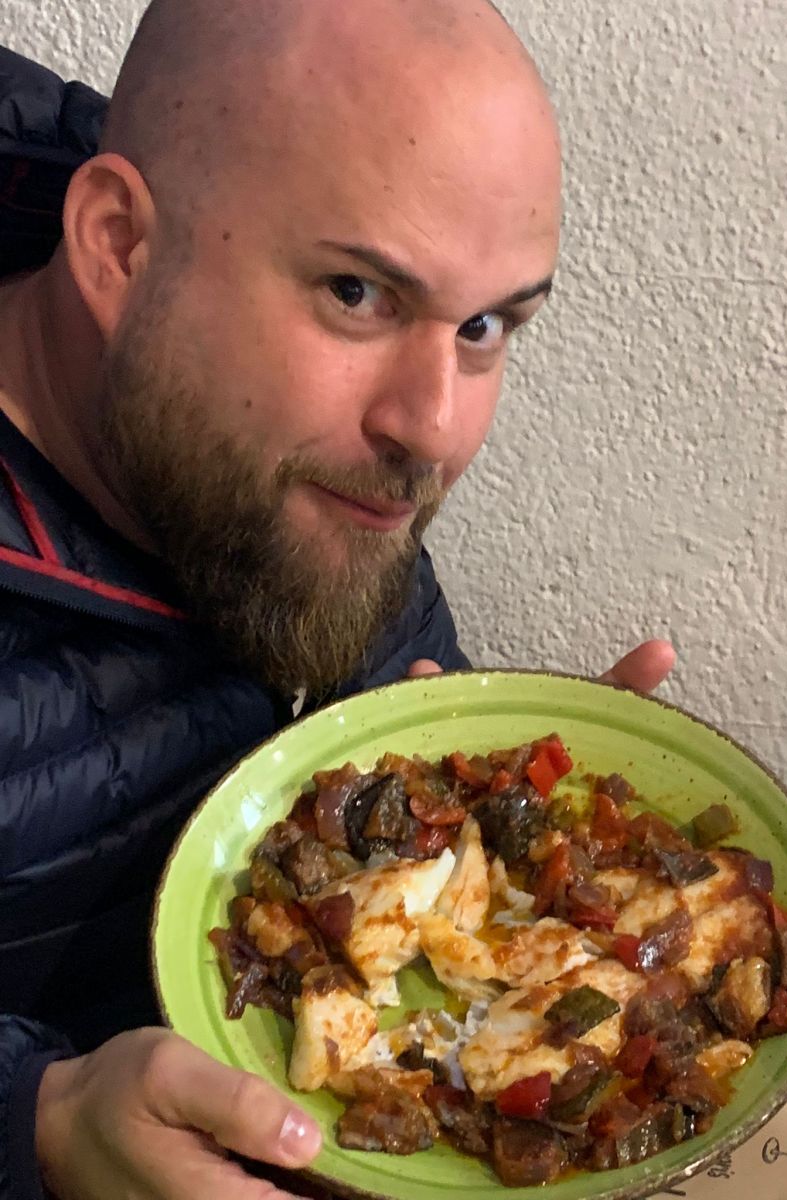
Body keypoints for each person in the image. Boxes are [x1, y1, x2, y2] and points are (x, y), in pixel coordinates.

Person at [0, 1, 675, 1197]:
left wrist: (507, 838)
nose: (435, 428)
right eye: (357, 294)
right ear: (117, 246)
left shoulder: (313, 473)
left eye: (485, 325)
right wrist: (34, 1120)